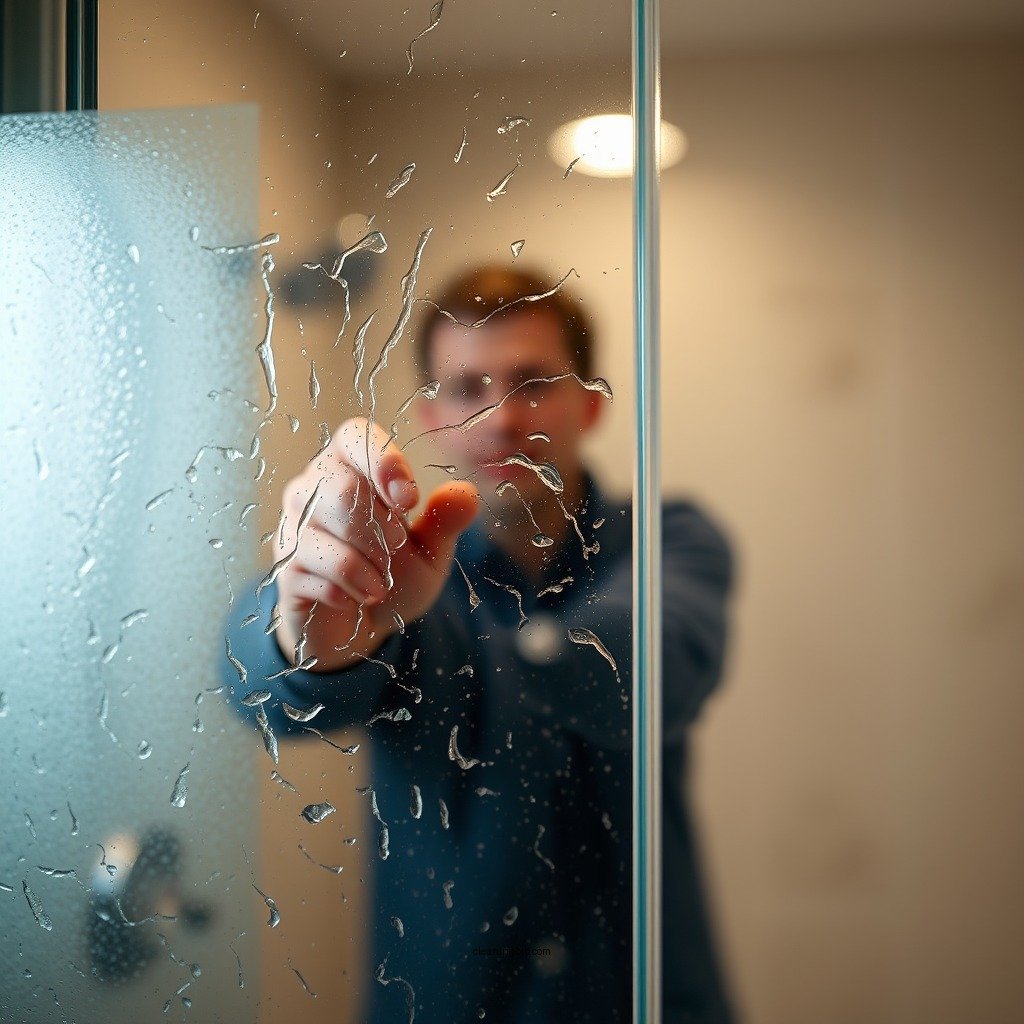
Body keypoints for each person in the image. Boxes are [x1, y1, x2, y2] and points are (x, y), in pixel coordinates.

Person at [224, 265, 736, 1023]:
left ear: (590, 404)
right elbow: (257, 687)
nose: (500, 417)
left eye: (532, 383)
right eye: (467, 388)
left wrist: (424, 632)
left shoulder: (669, 540)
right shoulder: (397, 580)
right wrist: (308, 632)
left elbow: (655, 666)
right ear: (432, 416)